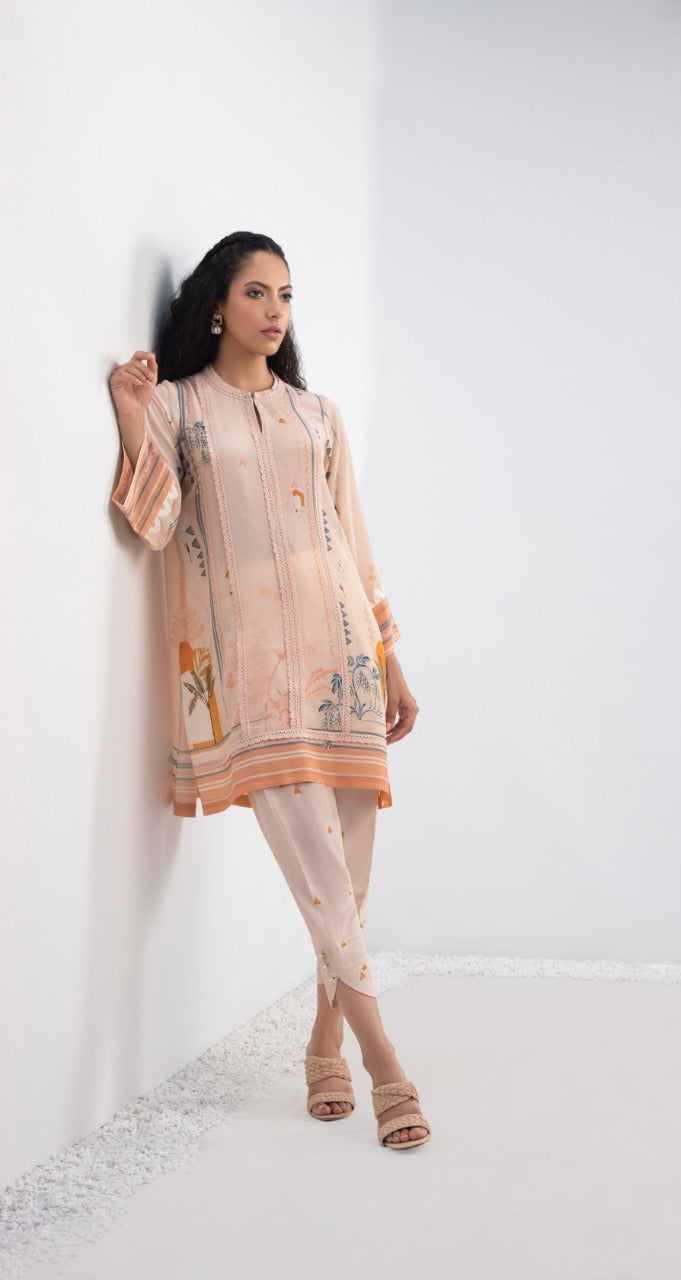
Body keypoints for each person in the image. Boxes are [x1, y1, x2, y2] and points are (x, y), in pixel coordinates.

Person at [108, 231, 430, 1150]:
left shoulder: (317, 415)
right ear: (217, 304)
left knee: (349, 880)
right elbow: (154, 522)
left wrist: (390, 657)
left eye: (285, 294)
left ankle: (324, 1041)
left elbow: (350, 541)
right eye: (256, 292)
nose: (275, 310)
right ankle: (384, 1065)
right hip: (248, 667)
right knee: (318, 873)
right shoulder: (179, 406)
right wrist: (132, 414)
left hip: (345, 655)